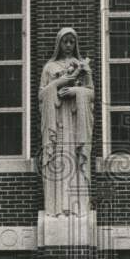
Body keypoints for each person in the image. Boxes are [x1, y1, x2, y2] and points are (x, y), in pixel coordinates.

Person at [38, 27, 95, 216]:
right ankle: (57, 207)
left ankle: (75, 207)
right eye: (65, 41)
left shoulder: (82, 67)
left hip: (75, 122)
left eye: (72, 42)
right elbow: (42, 94)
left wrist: (75, 91)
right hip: (57, 121)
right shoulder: (49, 67)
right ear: (59, 44)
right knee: (59, 161)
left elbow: (91, 93)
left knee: (75, 161)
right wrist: (60, 82)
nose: (69, 45)